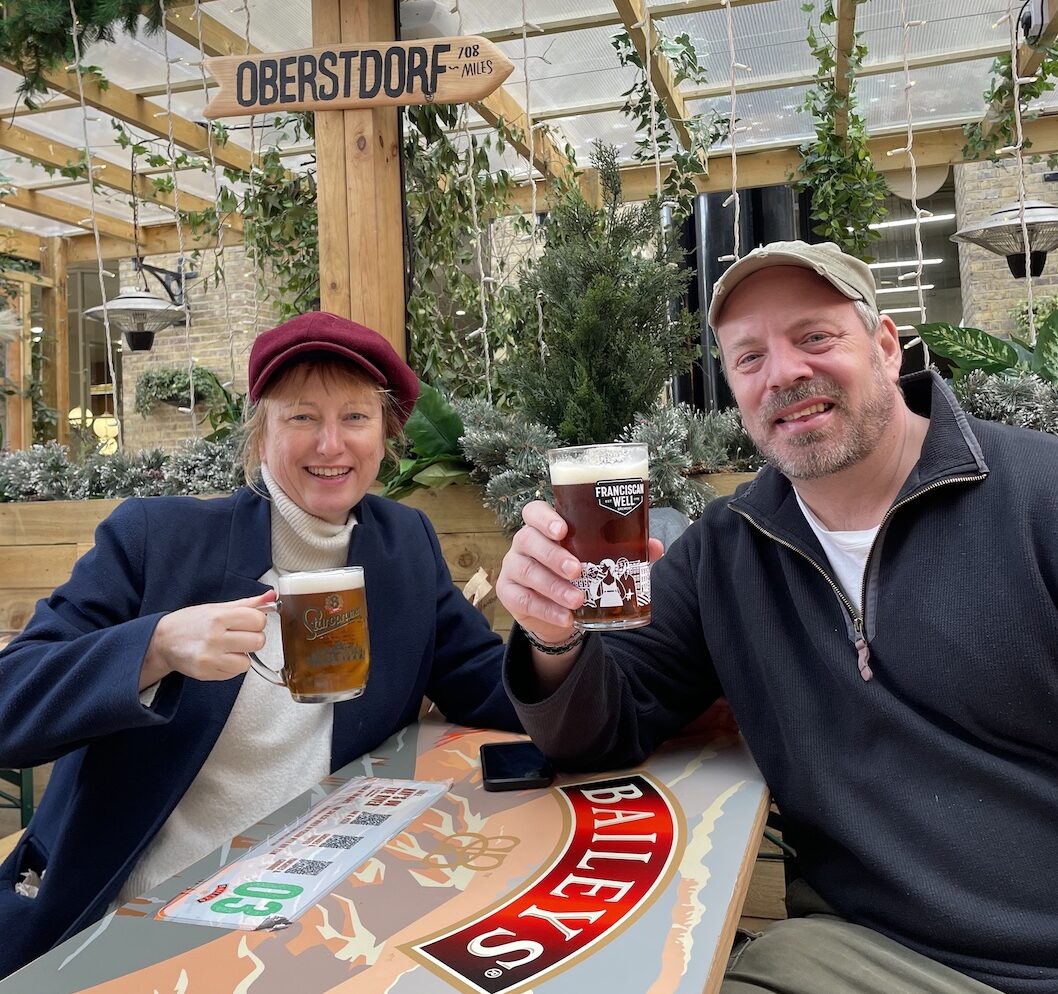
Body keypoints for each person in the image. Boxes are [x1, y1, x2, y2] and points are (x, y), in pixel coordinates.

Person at [495, 241, 1058, 994]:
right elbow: (600, 730)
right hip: (861, 954)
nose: (784, 373)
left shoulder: (1039, 495)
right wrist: (551, 632)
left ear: (886, 347)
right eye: (749, 357)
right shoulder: (728, 549)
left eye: (815, 338)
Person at [0, 311, 519, 978]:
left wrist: (560, 639)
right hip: (132, 921)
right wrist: (153, 647)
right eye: (301, 417)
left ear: (387, 435)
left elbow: (489, 682)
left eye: (355, 418)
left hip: (306, 914)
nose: (331, 444)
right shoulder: (159, 542)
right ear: (262, 432)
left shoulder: (403, 546)